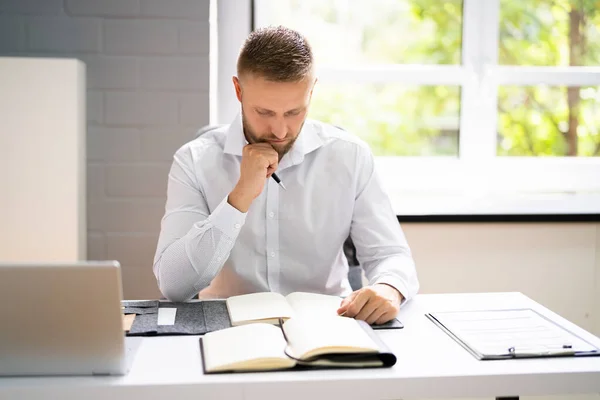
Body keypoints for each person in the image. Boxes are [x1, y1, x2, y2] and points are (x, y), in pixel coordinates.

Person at [153, 26, 419, 325]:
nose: (280, 131)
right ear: (238, 90)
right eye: (264, 112)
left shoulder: (350, 156)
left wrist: (389, 287)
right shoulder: (194, 160)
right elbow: (174, 285)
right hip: (225, 327)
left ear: (312, 90)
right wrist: (239, 197)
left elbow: (391, 255)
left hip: (330, 326)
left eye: (294, 112)